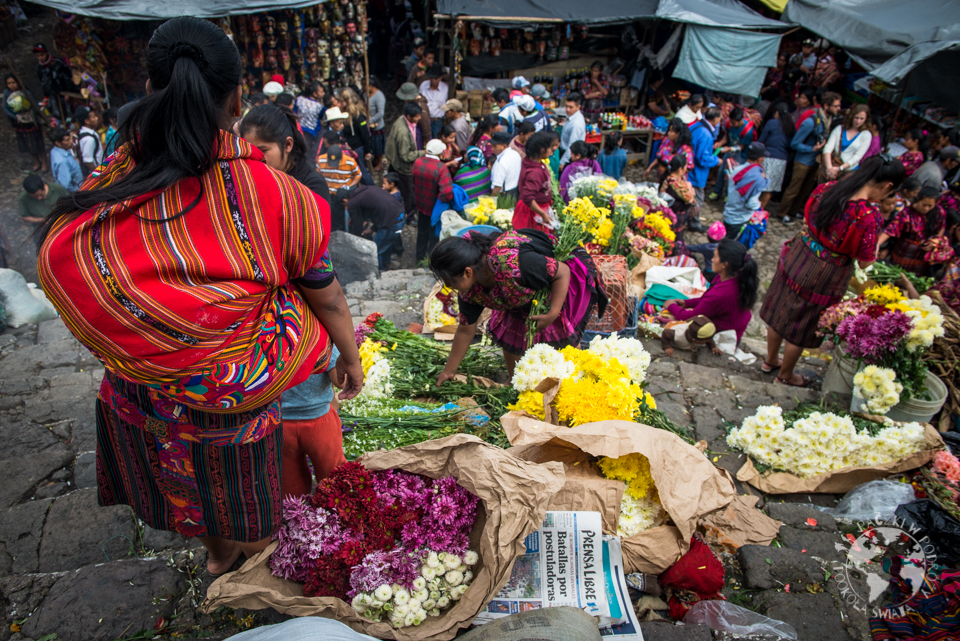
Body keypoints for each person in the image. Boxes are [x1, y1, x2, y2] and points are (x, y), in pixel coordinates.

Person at [36, 17, 362, 577]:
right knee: (241, 492)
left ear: (148, 90)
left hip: (145, 387)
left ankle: (216, 561)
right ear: (236, 101)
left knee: (192, 484)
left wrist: (159, 336)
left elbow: (64, 262)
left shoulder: (106, 189)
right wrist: (348, 355)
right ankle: (259, 570)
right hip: (235, 393)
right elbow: (324, 292)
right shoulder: (278, 196)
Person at [236, 104, 345, 501]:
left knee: (333, 477)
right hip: (271, 310)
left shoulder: (309, 189)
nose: (253, 160)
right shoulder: (252, 178)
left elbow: (322, 287)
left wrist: (342, 354)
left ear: (286, 145)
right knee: (294, 486)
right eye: (246, 150)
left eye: (262, 151)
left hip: (302, 293)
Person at [760, 156, 905, 386]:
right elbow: (866, 262)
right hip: (826, 272)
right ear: (888, 186)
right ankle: (785, 375)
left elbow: (808, 217)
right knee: (801, 324)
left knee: (780, 308)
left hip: (801, 252)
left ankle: (769, 360)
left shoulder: (828, 188)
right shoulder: (868, 216)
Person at [430, 229, 607, 379]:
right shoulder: (470, 291)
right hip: (519, 295)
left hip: (557, 283)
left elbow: (562, 272)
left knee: (561, 335)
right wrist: (448, 371)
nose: (447, 287)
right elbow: (466, 329)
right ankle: (516, 381)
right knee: (512, 335)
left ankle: (576, 378)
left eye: (449, 281)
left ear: (467, 272)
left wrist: (553, 311)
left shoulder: (514, 263)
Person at [663, 239, 757, 346]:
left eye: (715, 257)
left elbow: (691, 316)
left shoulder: (721, 294)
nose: (712, 259)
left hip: (723, 339)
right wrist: (686, 303)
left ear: (725, 264)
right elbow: (707, 300)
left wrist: (671, 306)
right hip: (734, 327)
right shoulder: (736, 277)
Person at [239, 103, 330, 201]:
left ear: (288, 144)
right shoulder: (246, 179)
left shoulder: (311, 186)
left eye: (263, 150)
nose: (255, 158)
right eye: (249, 151)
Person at [777, 91, 841, 224]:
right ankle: (782, 212)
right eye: (836, 106)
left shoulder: (828, 121)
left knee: (805, 189)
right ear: (826, 105)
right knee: (794, 188)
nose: (838, 109)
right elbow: (795, 143)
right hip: (803, 160)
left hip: (815, 162)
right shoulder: (811, 122)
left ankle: (794, 211)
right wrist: (811, 149)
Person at [876, 186, 948, 274]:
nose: (926, 208)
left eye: (930, 206)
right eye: (924, 205)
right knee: (896, 274)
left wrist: (935, 241)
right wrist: (877, 244)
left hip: (922, 254)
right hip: (904, 252)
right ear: (918, 199)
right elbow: (890, 230)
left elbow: (942, 227)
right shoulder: (906, 214)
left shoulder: (939, 212)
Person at [341, 183, 405, 268]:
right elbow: (377, 211)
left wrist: (356, 242)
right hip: (399, 214)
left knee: (374, 251)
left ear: (345, 200)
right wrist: (372, 229)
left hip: (392, 223)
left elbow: (357, 226)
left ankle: (379, 273)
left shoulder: (352, 202)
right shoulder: (366, 190)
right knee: (385, 243)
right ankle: (386, 262)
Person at [412, 139, 454, 260]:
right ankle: (430, 261)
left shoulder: (417, 162)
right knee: (434, 236)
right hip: (434, 209)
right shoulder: (441, 168)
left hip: (421, 205)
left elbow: (413, 181)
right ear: (440, 153)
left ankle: (419, 259)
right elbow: (447, 194)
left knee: (421, 233)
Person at [384, 101, 426, 218]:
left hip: (395, 162)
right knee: (409, 193)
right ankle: (410, 214)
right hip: (403, 167)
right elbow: (406, 156)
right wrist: (423, 153)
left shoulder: (403, 120)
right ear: (408, 116)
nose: (419, 118)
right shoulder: (403, 132)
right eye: (417, 116)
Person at [710, 107, 758, 202]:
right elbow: (726, 136)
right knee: (721, 171)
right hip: (729, 151)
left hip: (741, 154)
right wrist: (721, 143)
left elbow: (742, 147)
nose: (731, 124)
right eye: (730, 122)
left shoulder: (747, 130)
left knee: (732, 175)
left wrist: (730, 148)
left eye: (734, 123)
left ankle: (729, 195)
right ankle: (717, 192)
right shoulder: (728, 122)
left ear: (740, 120)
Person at [722, 142, 768, 240]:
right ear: (760, 159)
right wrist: (758, 205)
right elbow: (750, 203)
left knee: (725, 239)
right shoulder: (758, 177)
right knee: (730, 245)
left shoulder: (737, 169)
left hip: (728, 213)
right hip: (740, 218)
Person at [687, 106, 723, 232]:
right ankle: (694, 222)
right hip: (696, 174)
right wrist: (717, 160)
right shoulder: (706, 134)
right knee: (697, 199)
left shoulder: (695, 126)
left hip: (688, 170)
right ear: (716, 118)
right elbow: (702, 158)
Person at [3, 74, 47, 172]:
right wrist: (15, 117)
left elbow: (34, 107)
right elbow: (5, 107)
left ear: (18, 82)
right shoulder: (7, 93)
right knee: (27, 144)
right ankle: (37, 161)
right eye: (9, 83)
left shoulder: (26, 93)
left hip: (30, 122)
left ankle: (44, 162)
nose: (11, 85)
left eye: (13, 82)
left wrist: (29, 116)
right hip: (19, 123)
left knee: (38, 143)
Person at [512, 132, 555, 232]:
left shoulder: (532, 162)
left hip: (538, 209)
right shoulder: (534, 172)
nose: (551, 151)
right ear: (542, 150)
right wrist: (543, 214)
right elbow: (527, 197)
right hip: (532, 213)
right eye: (549, 148)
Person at [757, 102, 795, 210]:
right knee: (770, 189)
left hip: (768, 157)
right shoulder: (791, 126)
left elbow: (761, 140)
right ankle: (760, 211)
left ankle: (753, 209)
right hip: (782, 160)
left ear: (776, 113)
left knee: (760, 185)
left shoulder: (772, 123)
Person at [317, 144, 361, 231]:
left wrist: (348, 187)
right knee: (326, 219)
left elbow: (358, 175)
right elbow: (318, 175)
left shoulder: (350, 162)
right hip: (328, 194)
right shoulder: (321, 160)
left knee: (340, 220)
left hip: (341, 195)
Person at [821, 104, 872, 180]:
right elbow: (828, 148)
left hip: (848, 171)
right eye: (856, 118)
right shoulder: (839, 128)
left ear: (866, 119)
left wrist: (839, 168)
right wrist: (830, 169)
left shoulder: (866, 135)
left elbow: (857, 157)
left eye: (862, 119)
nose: (858, 121)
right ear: (852, 116)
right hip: (831, 166)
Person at [338, 87, 373, 185]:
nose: (340, 103)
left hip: (358, 148)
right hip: (349, 148)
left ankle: (374, 191)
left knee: (362, 173)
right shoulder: (344, 112)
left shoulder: (358, 116)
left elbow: (365, 134)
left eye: (342, 101)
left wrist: (367, 150)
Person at [660, 155, 697, 242]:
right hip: (676, 216)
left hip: (671, 214)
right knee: (675, 239)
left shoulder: (669, 178)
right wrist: (689, 186)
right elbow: (689, 199)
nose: (686, 168)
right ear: (680, 169)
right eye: (685, 166)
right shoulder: (676, 183)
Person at [33, 43, 73, 119]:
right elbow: (43, 83)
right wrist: (46, 96)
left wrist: (68, 92)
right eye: (38, 56)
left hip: (64, 92)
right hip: (53, 93)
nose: (40, 58)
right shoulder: (39, 68)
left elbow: (67, 78)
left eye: (42, 55)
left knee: (69, 111)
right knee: (57, 112)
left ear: (47, 53)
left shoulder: (57, 63)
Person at [419, 64, 448, 139]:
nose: (433, 80)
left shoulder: (445, 88)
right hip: (425, 119)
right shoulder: (423, 85)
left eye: (436, 78)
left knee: (437, 141)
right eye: (431, 78)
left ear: (440, 78)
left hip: (438, 121)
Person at [294, 81, 326, 151]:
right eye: (321, 92)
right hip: (313, 133)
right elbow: (323, 117)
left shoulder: (299, 99)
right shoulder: (319, 106)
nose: (323, 94)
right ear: (314, 93)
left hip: (299, 130)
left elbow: (295, 114)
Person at [48, 127, 82, 192]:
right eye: (67, 140)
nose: (71, 141)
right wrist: (78, 191)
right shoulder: (62, 161)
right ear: (58, 143)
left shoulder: (56, 150)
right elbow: (66, 185)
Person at [490, 131, 521, 198]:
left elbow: (497, 187)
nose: (492, 149)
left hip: (503, 196)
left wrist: (491, 200)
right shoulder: (515, 154)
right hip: (515, 192)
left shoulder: (501, 162)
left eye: (495, 146)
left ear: (504, 146)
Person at [73, 106, 103, 176]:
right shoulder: (89, 139)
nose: (96, 118)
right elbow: (88, 161)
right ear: (86, 121)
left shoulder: (82, 131)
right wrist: (99, 174)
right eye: (93, 117)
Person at [558, 92, 585, 166]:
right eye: (566, 106)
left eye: (570, 107)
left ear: (578, 107)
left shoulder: (576, 123)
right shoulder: (571, 117)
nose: (567, 109)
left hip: (569, 157)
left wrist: (562, 162)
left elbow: (571, 145)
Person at [366, 77, 386, 172]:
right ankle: (375, 160)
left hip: (377, 125)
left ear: (371, 86)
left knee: (378, 146)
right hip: (370, 126)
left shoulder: (379, 96)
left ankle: (379, 163)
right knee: (373, 144)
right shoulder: (366, 94)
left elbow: (381, 113)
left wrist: (371, 120)